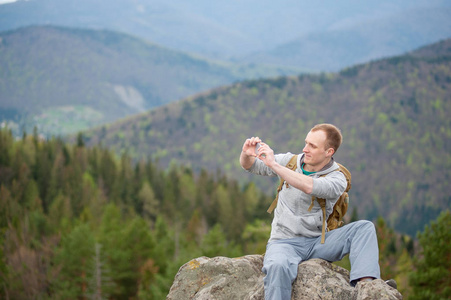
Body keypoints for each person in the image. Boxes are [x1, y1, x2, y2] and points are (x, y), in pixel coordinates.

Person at [240, 123, 388, 300]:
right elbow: (250, 166)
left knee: (364, 228)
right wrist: (246, 154)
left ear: (329, 152)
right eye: (306, 143)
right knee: (277, 266)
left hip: (319, 242)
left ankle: (367, 287)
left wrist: (274, 165)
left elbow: (310, 186)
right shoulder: (290, 161)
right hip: (284, 242)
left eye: (312, 146)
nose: (305, 149)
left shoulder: (338, 178)